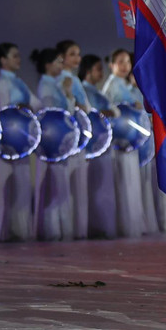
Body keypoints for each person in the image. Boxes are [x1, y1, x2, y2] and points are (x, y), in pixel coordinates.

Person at [0, 42, 40, 242]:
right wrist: (20, 108)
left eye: (19, 56)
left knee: (21, 185)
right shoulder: (2, 84)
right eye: (14, 56)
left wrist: (26, 107)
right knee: (7, 186)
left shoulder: (19, 82)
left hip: (23, 139)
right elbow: (5, 111)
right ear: (3, 60)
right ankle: (6, 229)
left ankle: (21, 229)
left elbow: (37, 104)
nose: (18, 59)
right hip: (9, 140)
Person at [101, 48, 146, 237]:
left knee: (131, 181)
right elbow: (110, 112)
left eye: (127, 61)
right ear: (111, 65)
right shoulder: (112, 85)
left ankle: (133, 223)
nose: (125, 66)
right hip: (120, 143)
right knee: (124, 182)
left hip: (131, 141)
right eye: (120, 62)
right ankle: (125, 225)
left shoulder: (126, 85)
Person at [31, 48, 76, 241]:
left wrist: (66, 92)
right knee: (55, 187)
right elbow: (52, 114)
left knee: (61, 187)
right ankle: (52, 229)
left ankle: (60, 228)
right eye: (58, 62)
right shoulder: (47, 86)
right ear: (48, 65)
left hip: (62, 139)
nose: (61, 65)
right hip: (53, 140)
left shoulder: (55, 85)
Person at [78, 53, 119, 239]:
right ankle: (95, 226)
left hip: (104, 144)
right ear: (88, 71)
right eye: (98, 69)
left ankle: (103, 225)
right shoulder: (86, 91)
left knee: (104, 187)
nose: (101, 73)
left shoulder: (96, 91)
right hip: (93, 147)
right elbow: (91, 113)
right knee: (96, 188)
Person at [56, 40, 90, 240]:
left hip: (77, 133)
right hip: (73, 134)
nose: (77, 58)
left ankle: (75, 227)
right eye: (72, 54)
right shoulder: (66, 80)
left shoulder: (71, 79)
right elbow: (79, 106)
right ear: (62, 57)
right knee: (74, 182)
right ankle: (73, 227)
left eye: (78, 54)